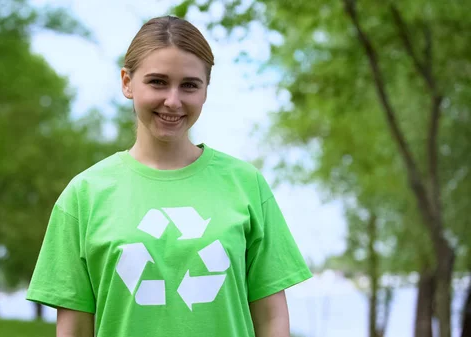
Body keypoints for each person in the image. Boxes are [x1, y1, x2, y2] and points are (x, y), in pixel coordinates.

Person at [26, 15, 312, 337]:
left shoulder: (246, 184)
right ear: (127, 83)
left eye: (189, 85)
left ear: (205, 91)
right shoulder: (84, 195)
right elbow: (75, 329)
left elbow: (272, 318)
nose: (173, 101)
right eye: (158, 82)